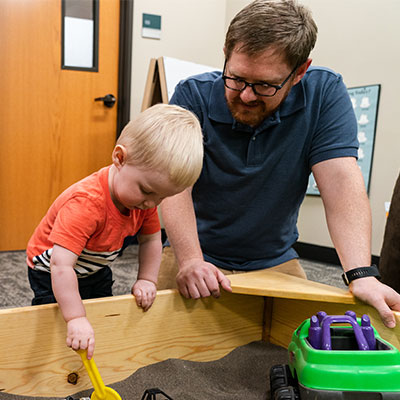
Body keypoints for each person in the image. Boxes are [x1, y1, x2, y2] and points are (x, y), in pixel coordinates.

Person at [158, 0, 400, 328]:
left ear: (299, 71)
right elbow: (174, 185)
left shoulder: (324, 93)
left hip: (273, 259)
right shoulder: (193, 95)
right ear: (226, 54)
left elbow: (341, 182)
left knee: (303, 340)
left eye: (265, 85)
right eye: (237, 78)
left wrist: (360, 273)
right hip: (194, 252)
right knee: (162, 338)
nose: (246, 96)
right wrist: (189, 260)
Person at [26, 104, 203, 359]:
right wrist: (75, 317)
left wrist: (147, 279)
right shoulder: (86, 204)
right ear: (119, 158)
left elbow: (152, 240)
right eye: (147, 191)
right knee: (57, 316)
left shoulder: (146, 201)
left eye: (163, 197)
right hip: (51, 267)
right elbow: (61, 266)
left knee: (101, 310)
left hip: (95, 263)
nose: (152, 204)